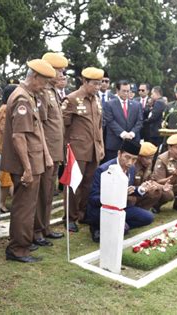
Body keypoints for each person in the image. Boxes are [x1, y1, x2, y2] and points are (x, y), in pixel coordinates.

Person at [0, 59, 55, 262]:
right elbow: (18, 136)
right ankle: (18, 248)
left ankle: (23, 243)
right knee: (24, 206)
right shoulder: (22, 98)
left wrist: (46, 156)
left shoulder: (30, 96)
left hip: (35, 159)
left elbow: (37, 128)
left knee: (28, 205)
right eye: (44, 82)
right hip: (27, 162)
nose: (46, 87)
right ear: (34, 77)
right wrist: (27, 168)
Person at [62, 67, 105, 232]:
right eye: (94, 84)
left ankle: (82, 213)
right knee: (74, 184)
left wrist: (100, 145)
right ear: (84, 81)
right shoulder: (72, 99)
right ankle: (70, 217)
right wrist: (65, 149)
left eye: (100, 84)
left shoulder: (96, 100)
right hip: (77, 149)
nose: (98, 87)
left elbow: (99, 125)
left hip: (94, 149)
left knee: (89, 184)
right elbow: (62, 127)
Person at [86, 140, 154, 243]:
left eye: (134, 159)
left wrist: (140, 189)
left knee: (148, 218)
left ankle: (118, 225)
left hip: (122, 207)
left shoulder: (131, 168)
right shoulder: (104, 170)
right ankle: (97, 227)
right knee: (123, 229)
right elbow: (93, 199)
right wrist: (118, 193)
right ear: (119, 153)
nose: (130, 162)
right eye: (127, 157)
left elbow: (128, 189)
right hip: (102, 209)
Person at [32, 52, 68, 246]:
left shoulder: (52, 91)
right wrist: (47, 153)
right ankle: (37, 230)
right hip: (46, 153)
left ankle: (45, 227)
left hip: (55, 152)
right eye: (59, 71)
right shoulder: (43, 93)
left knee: (49, 192)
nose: (62, 75)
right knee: (42, 193)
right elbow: (42, 126)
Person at [103, 79, 142, 161]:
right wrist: (123, 134)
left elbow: (139, 121)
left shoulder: (137, 105)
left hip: (132, 143)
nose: (126, 93)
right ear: (117, 91)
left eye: (128, 91)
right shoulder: (109, 104)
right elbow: (110, 121)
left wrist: (132, 133)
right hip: (115, 144)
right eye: (124, 91)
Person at [0, 84, 17, 213]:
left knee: (9, 180)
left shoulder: (7, 107)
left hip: (7, 148)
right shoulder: (5, 109)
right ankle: (1, 204)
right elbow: (4, 129)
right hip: (4, 148)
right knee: (5, 180)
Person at [133, 142, 172, 211]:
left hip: (143, 190)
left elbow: (150, 180)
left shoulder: (148, 165)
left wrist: (162, 187)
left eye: (152, 158)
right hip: (133, 193)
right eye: (147, 158)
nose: (150, 161)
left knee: (160, 192)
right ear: (139, 157)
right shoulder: (132, 166)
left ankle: (143, 211)